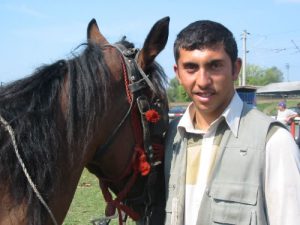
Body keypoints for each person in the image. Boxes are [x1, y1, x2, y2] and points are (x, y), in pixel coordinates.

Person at [164, 20, 300, 225]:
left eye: (215, 66)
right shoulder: (172, 138)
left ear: (235, 69)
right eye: (191, 67)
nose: (202, 81)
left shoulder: (272, 141)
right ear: (178, 74)